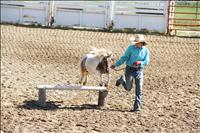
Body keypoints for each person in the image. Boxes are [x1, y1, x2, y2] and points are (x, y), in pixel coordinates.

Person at [111, 34, 150, 112]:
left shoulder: (145, 50)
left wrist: (140, 63)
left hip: (139, 70)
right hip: (129, 69)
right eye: (136, 42)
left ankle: (137, 106)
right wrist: (116, 64)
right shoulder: (130, 48)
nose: (136, 43)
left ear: (142, 42)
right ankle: (122, 80)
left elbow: (147, 61)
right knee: (128, 88)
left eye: (138, 42)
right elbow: (124, 57)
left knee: (139, 88)